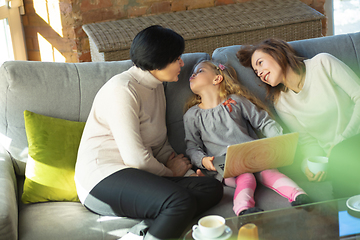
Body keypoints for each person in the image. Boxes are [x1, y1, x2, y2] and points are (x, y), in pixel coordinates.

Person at [74, 25, 223, 240]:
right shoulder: (122, 89)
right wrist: (172, 173)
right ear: (157, 61)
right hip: (102, 178)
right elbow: (137, 160)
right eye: (176, 58)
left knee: (211, 187)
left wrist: (188, 174)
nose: (182, 63)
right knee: (179, 201)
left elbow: (159, 144)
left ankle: (138, 234)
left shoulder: (156, 87)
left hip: (140, 176)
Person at [183, 60, 310, 216]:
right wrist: (203, 161)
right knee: (246, 177)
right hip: (226, 167)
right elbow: (192, 146)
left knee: (270, 172)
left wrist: (277, 141)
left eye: (200, 71)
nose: (193, 74)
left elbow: (264, 121)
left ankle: (299, 195)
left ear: (217, 78)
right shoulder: (192, 115)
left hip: (254, 156)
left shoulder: (236, 101)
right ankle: (243, 208)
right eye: (193, 73)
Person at [237, 38, 360, 198]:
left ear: (277, 53)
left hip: (353, 140)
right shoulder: (282, 102)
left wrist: (341, 140)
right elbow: (307, 141)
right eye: (256, 72)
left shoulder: (323, 63)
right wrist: (306, 166)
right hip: (336, 159)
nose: (259, 73)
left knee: (341, 162)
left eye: (260, 63)